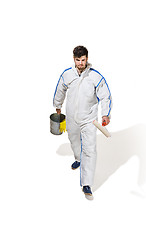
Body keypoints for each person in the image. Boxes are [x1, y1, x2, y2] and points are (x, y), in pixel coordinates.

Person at [53, 46, 112, 198]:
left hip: (89, 119)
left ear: (87, 58)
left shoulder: (95, 77)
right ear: (74, 59)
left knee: (90, 150)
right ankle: (78, 159)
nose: (80, 63)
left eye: (83, 60)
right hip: (72, 117)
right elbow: (60, 90)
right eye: (78, 60)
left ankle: (87, 184)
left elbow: (105, 96)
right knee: (73, 140)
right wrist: (58, 107)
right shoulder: (67, 75)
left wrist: (105, 114)